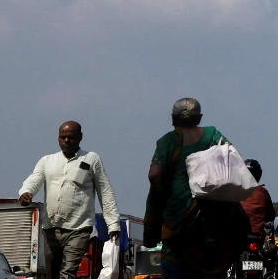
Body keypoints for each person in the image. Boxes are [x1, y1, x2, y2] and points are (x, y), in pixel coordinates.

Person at [145, 98, 249, 279]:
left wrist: (163, 195)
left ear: (173, 118)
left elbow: (154, 175)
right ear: (199, 117)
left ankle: (151, 238)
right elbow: (234, 158)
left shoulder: (168, 141)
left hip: (178, 221)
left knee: (175, 263)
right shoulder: (213, 134)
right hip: (214, 224)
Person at [18, 121, 121, 279]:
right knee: (52, 273)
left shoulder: (91, 159)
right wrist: (26, 192)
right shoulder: (47, 161)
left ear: (80, 138)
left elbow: (105, 191)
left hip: (78, 228)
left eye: (70, 137)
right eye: (62, 137)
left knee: (67, 273)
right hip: (51, 229)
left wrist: (113, 223)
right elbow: (34, 179)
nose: (66, 141)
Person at [240, 160, 274, 237]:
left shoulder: (234, 189)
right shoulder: (262, 192)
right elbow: (270, 215)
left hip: (237, 232)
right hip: (256, 233)